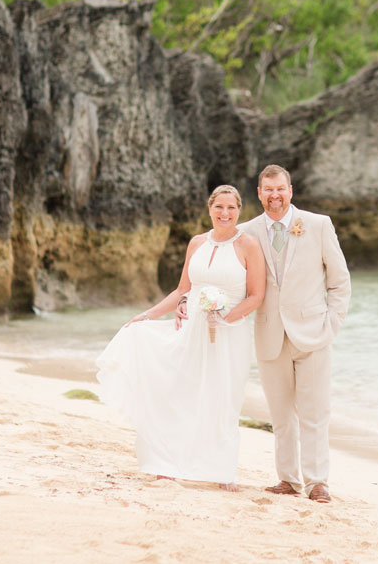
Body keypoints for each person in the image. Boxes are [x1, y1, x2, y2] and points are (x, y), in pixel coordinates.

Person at [95, 185, 265, 491]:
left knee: (223, 398)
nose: (225, 214)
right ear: (210, 209)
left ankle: (222, 471)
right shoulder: (197, 243)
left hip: (230, 333)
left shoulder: (249, 245)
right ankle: (166, 463)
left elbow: (256, 297)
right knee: (180, 392)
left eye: (231, 208)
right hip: (191, 331)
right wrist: (148, 315)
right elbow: (182, 290)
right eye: (219, 207)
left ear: (239, 210)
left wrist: (224, 317)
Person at [243, 164, 351, 503]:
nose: (275, 196)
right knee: (280, 414)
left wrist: (331, 323)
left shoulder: (318, 225)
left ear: (290, 191)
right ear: (259, 194)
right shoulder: (246, 232)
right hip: (269, 335)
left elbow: (339, 280)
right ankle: (288, 480)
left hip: (313, 333)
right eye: (268, 190)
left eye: (281, 189)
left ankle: (318, 481)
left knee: (315, 411)